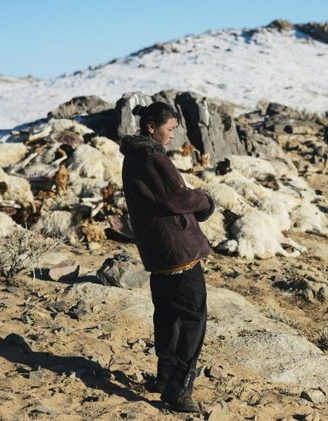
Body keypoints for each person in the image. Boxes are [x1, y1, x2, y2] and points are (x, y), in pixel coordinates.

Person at [120, 102, 215, 413]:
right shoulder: (151, 157)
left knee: (168, 313)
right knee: (192, 316)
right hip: (177, 249)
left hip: (159, 250)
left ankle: (165, 377)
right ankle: (179, 387)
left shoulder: (135, 156)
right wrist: (204, 200)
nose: (173, 135)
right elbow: (173, 197)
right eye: (169, 129)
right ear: (151, 127)